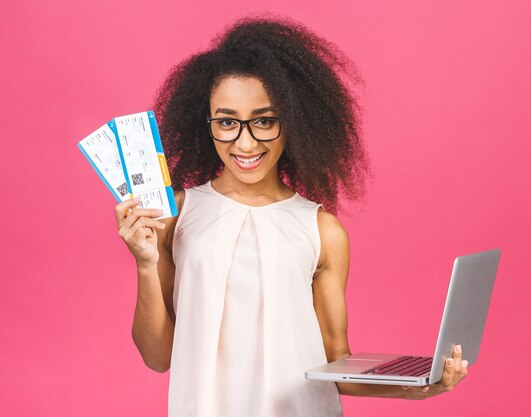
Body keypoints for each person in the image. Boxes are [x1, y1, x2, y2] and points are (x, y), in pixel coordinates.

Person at [114, 14, 469, 417]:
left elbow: (337, 364)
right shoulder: (175, 215)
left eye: (264, 121)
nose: (245, 142)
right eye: (227, 122)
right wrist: (146, 264)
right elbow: (158, 357)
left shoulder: (322, 230)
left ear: (295, 123)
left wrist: (415, 389)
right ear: (206, 123)